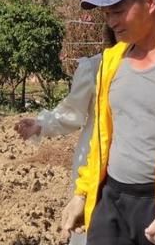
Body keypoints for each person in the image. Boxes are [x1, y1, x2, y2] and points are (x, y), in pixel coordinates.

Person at [61, 0, 155, 245]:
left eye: (118, 11)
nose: (112, 22)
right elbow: (102, 137)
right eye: (107, 14)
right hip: (112, 201)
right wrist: (82, 193)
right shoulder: (111, 62)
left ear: (150, 2)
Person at [14, 27, 116, 245]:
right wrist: (41, 124)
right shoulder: (95, 67)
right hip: (94, 162)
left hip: (140, 168)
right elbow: (74, 112)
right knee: (89, 226)